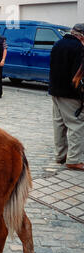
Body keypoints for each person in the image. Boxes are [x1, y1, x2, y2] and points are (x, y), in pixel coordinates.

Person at [49, 23, 84, 171]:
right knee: (77, 125)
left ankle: (60, 155)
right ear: (81, 36)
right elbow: (78, 77)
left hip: (55, 91)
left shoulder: (58, 44)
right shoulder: (79, 48)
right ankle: (74, 159)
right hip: (70, 94)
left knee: (59, 124)